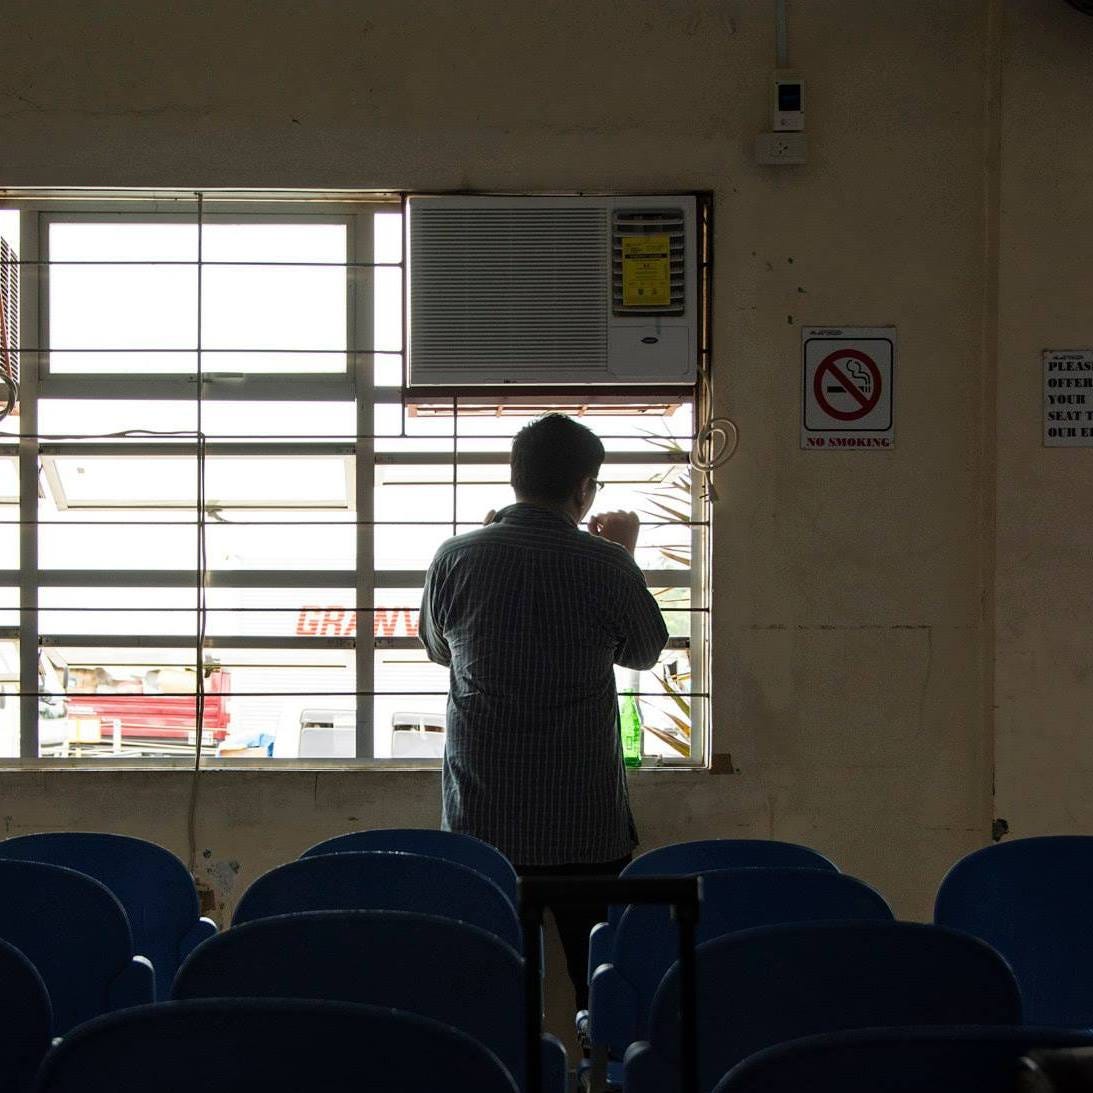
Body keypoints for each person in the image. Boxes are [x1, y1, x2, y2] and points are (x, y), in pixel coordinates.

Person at [419, 413, 669, 1009]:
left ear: (514, 477)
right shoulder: (605, 565)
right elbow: (645, 651)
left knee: (495, 986)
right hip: (585, 822)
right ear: (585, 487)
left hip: (485, 822)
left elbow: (437, 650)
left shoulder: (455, 557)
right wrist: (624, 556)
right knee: (600, 984)